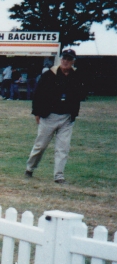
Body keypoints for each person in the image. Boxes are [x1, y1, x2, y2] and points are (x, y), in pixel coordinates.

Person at [25, 49, 86, 185]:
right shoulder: (48, 75)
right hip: (49, 116)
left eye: (69, 59)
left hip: (66, 118)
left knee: (63, 148)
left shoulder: (76, 76)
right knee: (40, 146)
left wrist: (74, 112)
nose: (65, 61)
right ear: (60, 59)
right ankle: (29, 168)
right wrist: (36, 113)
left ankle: (59, 176)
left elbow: (81, 94)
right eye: (64, 58)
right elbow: (38, 94)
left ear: (73, 61)